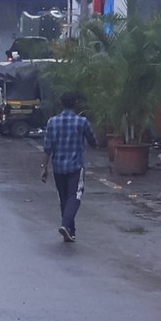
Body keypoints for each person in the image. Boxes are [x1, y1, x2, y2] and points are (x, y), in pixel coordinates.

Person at [43, 88, 100, 241]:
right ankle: (65, 225)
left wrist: (44, 168)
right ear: (75, 104)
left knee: (63, 198)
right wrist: (95, 145)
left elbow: (47, 147)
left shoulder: (52, 122)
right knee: (75, 196)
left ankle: (70, 231)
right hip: (75, 166)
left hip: (58, 167)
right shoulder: (82, 122)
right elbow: (93, 140)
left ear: (61, 104)